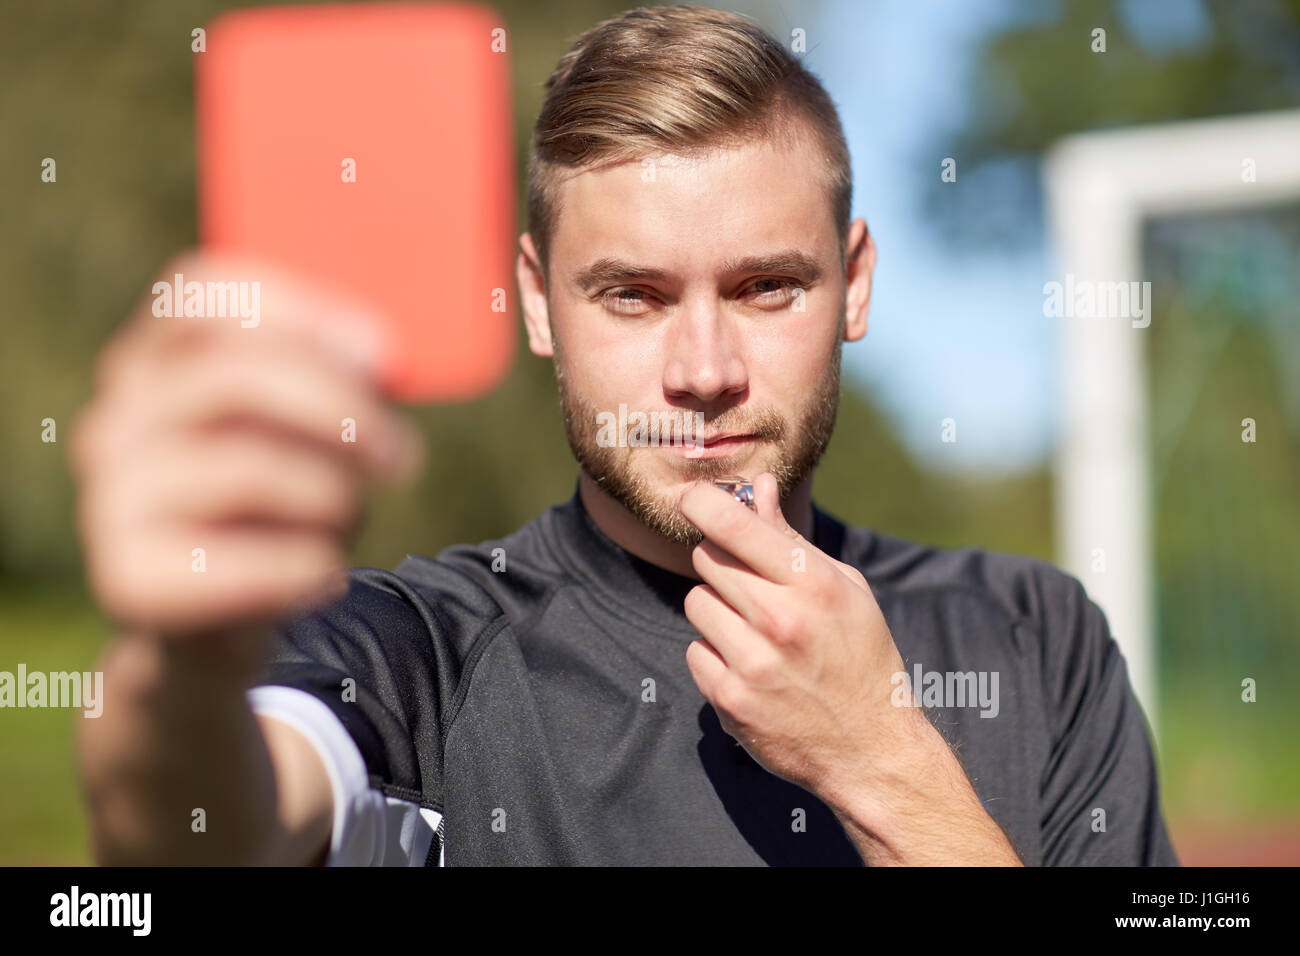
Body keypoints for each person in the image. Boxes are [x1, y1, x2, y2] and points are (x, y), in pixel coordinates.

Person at [70, 5, 1178, 866]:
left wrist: (884, 765)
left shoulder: (1035, 634)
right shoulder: (419, 650)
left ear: (854, 283)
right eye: (634, 295)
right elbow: (209, 825)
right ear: (540, 302)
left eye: (764, 287)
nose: (703, 371)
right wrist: (182, 668)